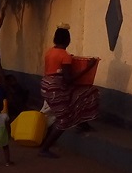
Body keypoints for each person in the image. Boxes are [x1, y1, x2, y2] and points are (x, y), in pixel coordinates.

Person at [38, 24, 100, 158]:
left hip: (47, 85)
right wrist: (87, 68)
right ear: (68, 40)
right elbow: (68, 79)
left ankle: (82, 123)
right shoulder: (65, 55)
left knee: (82, 94)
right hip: (56, 88)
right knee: (64, 120)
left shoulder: (50, 51)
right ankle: (44, 149)